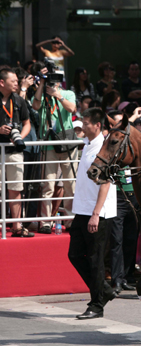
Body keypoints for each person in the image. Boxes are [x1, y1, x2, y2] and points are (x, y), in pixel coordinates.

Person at [68, 107, 117, 319]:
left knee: (96, 260)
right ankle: (104, 291)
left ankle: (97, 305)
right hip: (81, 209)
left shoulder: (103, 148)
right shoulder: (87, 144)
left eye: (86, 123)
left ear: (97, 125)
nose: (83, 126)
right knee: (75, 255)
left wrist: (96, 214)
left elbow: (105, 183)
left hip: (97, 212)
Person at [32, 72, 78, 234]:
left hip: (66, 144)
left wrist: (58, 96)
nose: (54, 83)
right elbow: (35, 106)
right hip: (48, 144)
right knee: (47, 185)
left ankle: (71, 219)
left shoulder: (67, 93)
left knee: (70, 185)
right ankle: (45, 222)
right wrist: (42, 85)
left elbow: (72, 109)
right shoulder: (42, 95)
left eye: (56, 80)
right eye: (50, 80)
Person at [105, 111, 138, 294]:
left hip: (133, 196)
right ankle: (117, 279)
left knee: (131, 238)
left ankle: (128, 276)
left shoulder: (131, 144)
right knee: (116, 239)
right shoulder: (111, 144)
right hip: (117, 197)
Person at [0, 68, 32, 237]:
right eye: (13, 81)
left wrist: (19, 136)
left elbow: (27, 123)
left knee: (16, 188)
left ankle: (16, 226)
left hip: (14, 150)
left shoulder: (19, 100)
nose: (17, 84)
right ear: (2, 82)